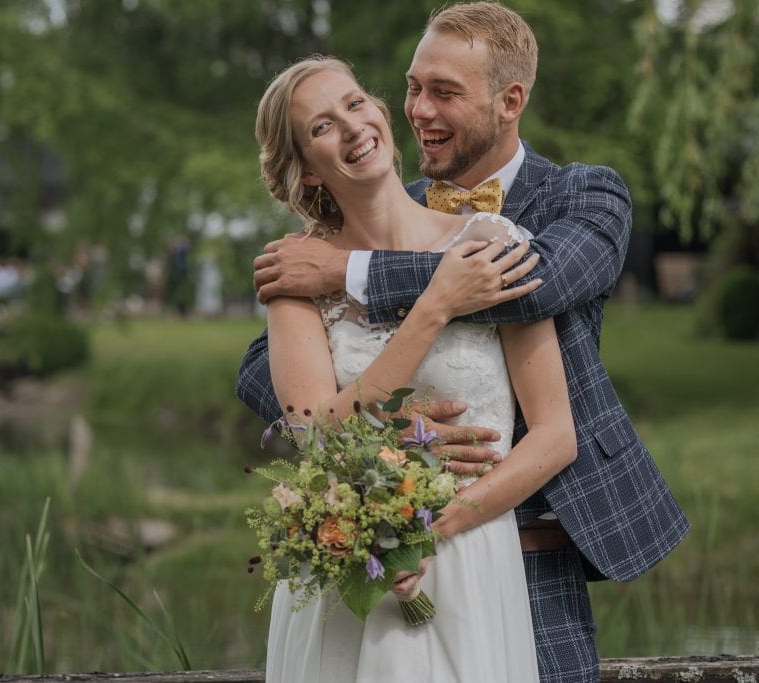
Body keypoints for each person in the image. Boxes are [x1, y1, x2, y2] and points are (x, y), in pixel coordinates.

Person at [237, 3, 689, 682]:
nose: (419, 109)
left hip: (525, 547)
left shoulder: (581, 196)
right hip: (372, 556)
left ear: (509, 102)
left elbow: (532, 287)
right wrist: (380, 439)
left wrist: (355, 274)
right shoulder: (335, 242)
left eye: (444, 93)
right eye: (414, 88)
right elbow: (262, 376)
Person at [257, 54, 578, 682]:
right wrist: (435, 307)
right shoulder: (296, 280)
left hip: (470, 551)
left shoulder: (491, 242)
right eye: (321, 127)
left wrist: (435, 526)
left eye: (355, 103)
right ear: (306, 172)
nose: (351, 128)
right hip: (355, 568)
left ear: (379, 110)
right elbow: (313, 435)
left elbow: (555, 435)